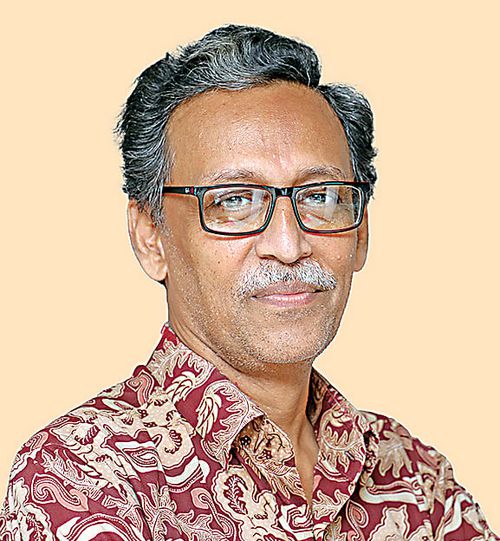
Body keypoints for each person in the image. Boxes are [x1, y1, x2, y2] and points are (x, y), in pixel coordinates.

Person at [0, 24, 496, 541]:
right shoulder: (80, 477)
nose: (288, 244)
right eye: (235, 200)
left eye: (321, 197)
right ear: (151, 236)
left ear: (362, 233)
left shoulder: (415, 479)